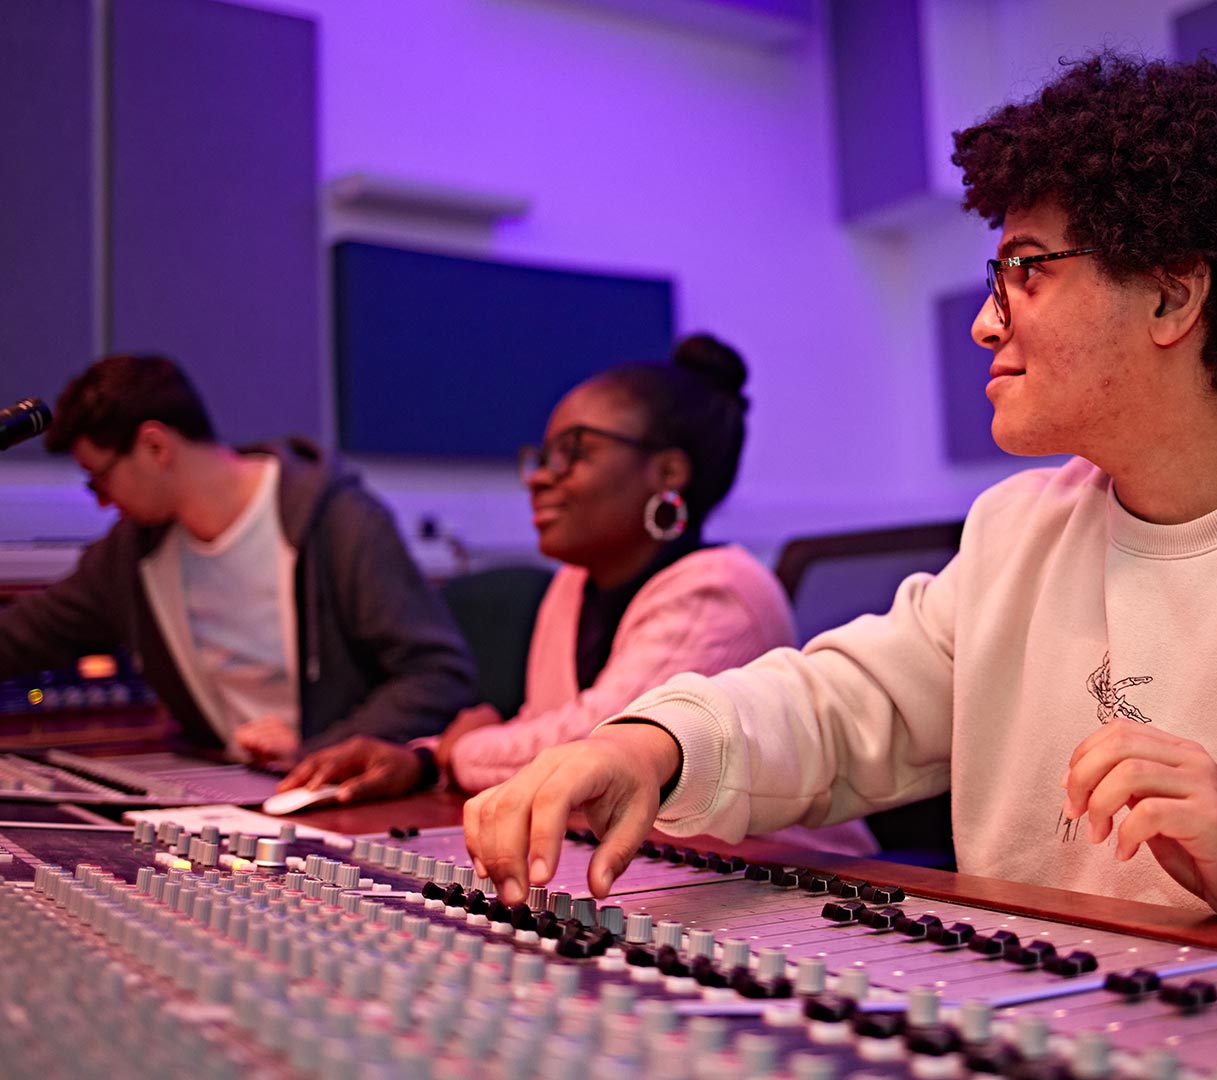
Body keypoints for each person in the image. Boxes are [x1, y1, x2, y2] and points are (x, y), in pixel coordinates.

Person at [461, 55, 1217, 987]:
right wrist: (648, 747)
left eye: (1024, 268)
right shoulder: (1023, 531)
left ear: (1173, 295)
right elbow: (847, 702)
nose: (983, 320)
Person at [278, 337, 877, 854]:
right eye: (543, 456)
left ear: (668, 473)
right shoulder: (573, 585)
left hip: (794, 881)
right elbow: (544, 729)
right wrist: (420, 757)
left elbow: (597, 743)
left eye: (574, 452)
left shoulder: (721, 590)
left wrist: (458, 754)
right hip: (658, 869)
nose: (540, 476)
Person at [0, 354, 476, 765]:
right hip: (230, 804)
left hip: (340, 808)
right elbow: (9, 637)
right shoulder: (134, 556)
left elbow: (436, 675)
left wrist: (322, 748)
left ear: (155, 445)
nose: (102, 502)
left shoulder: (340, 522)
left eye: (100, 480)